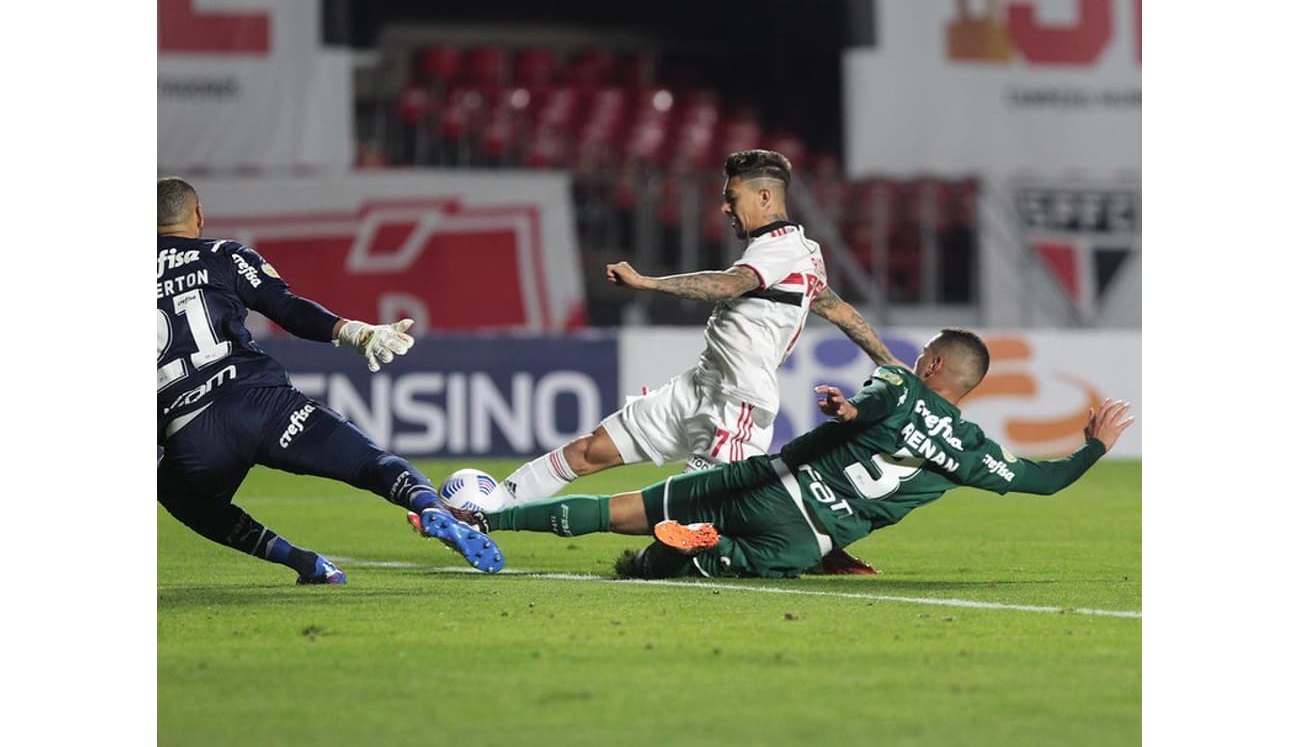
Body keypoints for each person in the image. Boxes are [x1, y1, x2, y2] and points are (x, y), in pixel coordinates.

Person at [495, 149, 901, 574]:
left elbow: (727, 286)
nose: (724, 206)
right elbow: (838, 310)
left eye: (732, 196)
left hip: (736, 406)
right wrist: (892, 365)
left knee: (673, 522)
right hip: (697, 389)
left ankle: (813, 550)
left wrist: (647, 282)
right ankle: (487, 507)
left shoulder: (782, 250)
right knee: (587, 451)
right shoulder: (795, 253)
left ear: (765, 197)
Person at [449, 329, 1134, 579]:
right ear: (969, 385)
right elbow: (1042, 482)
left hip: (762, 478)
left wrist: (846, 410)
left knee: (614, 509)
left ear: (929, 361)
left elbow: (871, 405)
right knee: (699, 566)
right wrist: (1094, 447)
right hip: (800, 535)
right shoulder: (969, 449)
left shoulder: (896, 382)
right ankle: (699, 553)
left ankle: (487, 520)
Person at [156, 177, 503, 584]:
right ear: (198, 215)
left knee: (185, 498)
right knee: (370, 461)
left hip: (191, 431)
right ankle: (428, 506)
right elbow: (285, 308)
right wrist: (353, 332)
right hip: (262, 404)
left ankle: (304, 563)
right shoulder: (222, 255)